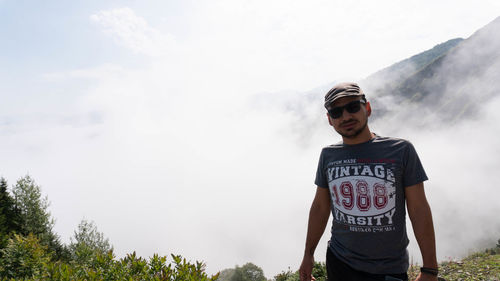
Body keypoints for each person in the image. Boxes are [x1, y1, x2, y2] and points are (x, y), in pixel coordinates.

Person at [299, 83, 438, 281]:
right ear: (330, 120)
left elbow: (419, 209)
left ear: (368, 108)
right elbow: (321, 207)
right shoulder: (328, 155)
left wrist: (430, 269)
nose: (346, 116)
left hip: (388, 268)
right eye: (336, 112)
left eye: (353, 107)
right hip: (339, 263)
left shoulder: (401, 150)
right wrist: (308, 255)